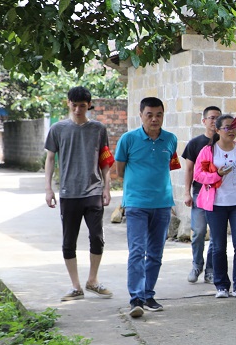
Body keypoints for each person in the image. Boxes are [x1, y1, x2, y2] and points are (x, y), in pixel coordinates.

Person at [43, 86, 114, 302]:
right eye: (74, 105)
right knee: (69, 240)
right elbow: (50, 159)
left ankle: (92, 280)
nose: (77, 110)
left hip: (93, 189)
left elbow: (105, 160)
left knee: (97, 237)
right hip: (68, 192)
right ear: (68, 103)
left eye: (82, 106)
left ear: (89, 105)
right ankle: (75, 287)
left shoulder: (98, 129)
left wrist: (107, 186)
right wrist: (48, 188)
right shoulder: (57, 129)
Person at [114, 97, 179, 318]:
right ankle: (136, 298)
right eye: (149, 115)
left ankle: (148, 294)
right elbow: (120, 170)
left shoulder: (170, 139)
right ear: (141, 115)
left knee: (155, 253)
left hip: (162, 204)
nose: (154, 119)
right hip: (136, 204)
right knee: (137, 251)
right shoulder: (128, 139)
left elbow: (168, 166)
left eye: (159, 115)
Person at [192, 114, 236, 299]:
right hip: (216, 204)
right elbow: (198, 175)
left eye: (234, 127)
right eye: (227, 127)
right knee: (219, 246)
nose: (232, 130)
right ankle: (221, 285)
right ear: (218, 130)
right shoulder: (208, 151)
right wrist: (217, 175)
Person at [181, 105, 221, 284]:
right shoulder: (195, 143)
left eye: (218, 118)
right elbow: (189, 170)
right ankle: (197, 264)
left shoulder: (224, 142)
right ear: (204, 121)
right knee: (198, 232)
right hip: (200, 193)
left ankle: (210, 270)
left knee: (216, 235)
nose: (215, 121)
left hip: (220, 195)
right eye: (212, 118)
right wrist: (187, 193)